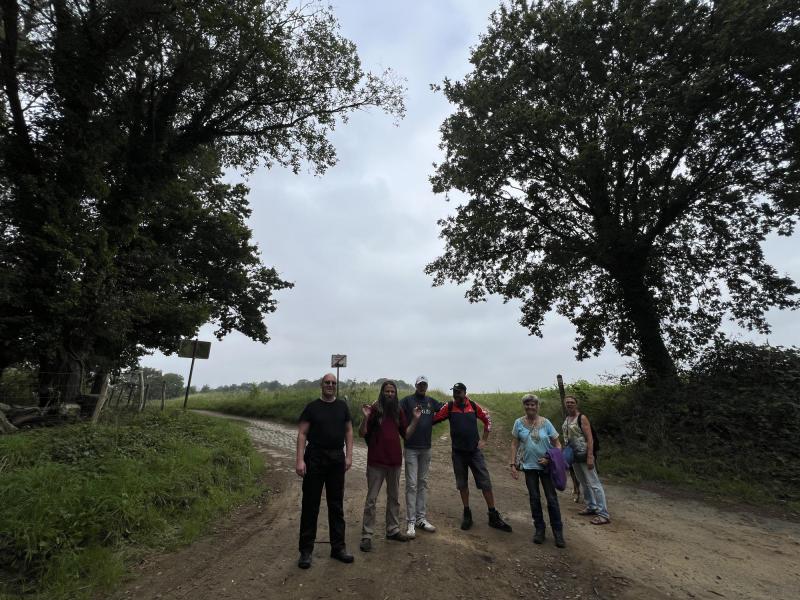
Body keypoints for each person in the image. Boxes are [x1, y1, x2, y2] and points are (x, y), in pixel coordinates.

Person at [432, 382, 512, 532]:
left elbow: (487, 420)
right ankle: (467, 512)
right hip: (458, 453)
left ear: (464, 392)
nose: (456, 395)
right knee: (462, 483)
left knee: (485, 482)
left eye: (458, 392)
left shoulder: (473, 406)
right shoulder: (449, 407)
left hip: (475, 452)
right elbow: (433, 419)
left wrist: (484, 440)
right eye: (454, 392)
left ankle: (493, 514)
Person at [295, 374, 354, 569]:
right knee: (310, 504)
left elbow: (348, 431)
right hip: (315, 457)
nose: (330, 385)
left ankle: (338, 548)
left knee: (336, 505)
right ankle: (305, 551)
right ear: (321, 385)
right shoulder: (312, 407)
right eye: (327, 383)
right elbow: (302, 433)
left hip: (336, 458)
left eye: (333, 383)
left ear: (336, 386)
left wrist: (349, 456)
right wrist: (300, 460)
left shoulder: (342, 406)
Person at [358, 380, 421, 552]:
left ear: (395, 393)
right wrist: (365, 417)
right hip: (376, 462)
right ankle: (367, 535)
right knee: (371, 500)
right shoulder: (374, 409)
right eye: (387, 391)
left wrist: (415, 420)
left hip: (394, 462)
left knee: (394, 498)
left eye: (392, 391)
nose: (390, 394)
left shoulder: (398, 410)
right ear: (382, 392)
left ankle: (392, 530)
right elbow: (362, 432)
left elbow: (406, 434)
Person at [509, 394, 565, 547]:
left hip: (546, 467)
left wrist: (549, 459)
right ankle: (539, 529)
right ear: (524, 406)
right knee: (534, 498)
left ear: (537, 406)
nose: (530, 407)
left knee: (551, 499)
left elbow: (558, 445)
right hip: (529, 467)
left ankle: (558, 532)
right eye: (527, 404)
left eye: (533, 404)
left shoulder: (546, 423)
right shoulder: (518, 423)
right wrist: (512, 464)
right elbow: (514, 444)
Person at [400, 375, 444, 538]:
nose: (422, 387)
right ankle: (410, 521)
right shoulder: (407, 401)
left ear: (427, 386)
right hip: (411, 448)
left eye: (424, 384)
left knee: (423, 483)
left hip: (426, 448)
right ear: (416, 385)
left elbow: (445, 409)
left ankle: (421, 518)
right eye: (420, 384)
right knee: (411, 484)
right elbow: (396, 413)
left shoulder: (432, 402)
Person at [562, 395, 611, 525]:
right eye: (567, 402)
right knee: (583, 482)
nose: (569, 404)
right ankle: (591, 506)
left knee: (594, 483)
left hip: (584, 455)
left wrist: (590, 456)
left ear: (576, 404)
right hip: (574, 456)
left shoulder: (581, 418)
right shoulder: (567, 419)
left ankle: (603, 514)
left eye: (572, 402)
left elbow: (590, 438)